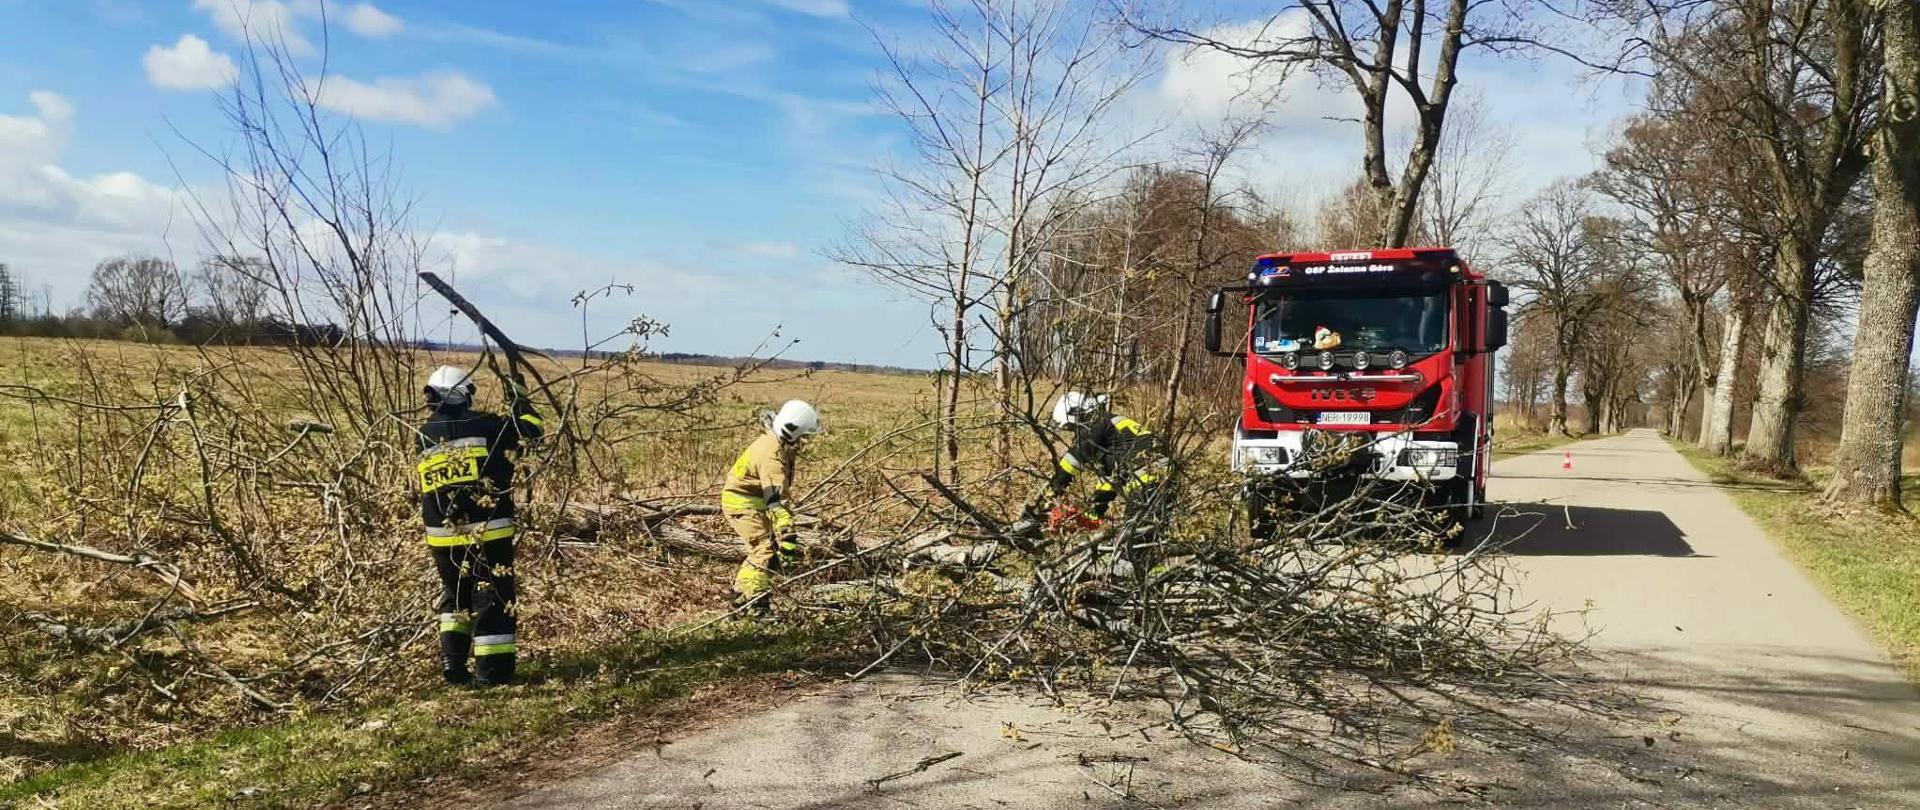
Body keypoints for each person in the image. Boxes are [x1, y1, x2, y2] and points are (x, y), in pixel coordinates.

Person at [416, 364, 543, 686]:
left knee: (456, 594)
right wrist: (519, 396)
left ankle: (453, 664)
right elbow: (532, 430)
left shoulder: (423, 435)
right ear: (467, 395)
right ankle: (492, 674)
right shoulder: (488, 425)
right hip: (488, 531)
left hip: (442, 536)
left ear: (432, 397)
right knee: (494, 597)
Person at [721, 400, 821, 612]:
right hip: (742, 503)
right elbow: (775, 500)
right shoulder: (772, 456)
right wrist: (787, 532)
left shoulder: (774, 441)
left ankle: (747, 598)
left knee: (768, 550)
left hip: (751, 501)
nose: (804, 441)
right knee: (764, 550)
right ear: (792, 431)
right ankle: (750, 603)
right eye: (803, 436)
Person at [1045, 392, 1169, 524]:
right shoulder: (1112, 436)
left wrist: (1048, 497)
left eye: (1071, 427)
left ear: (1078, 415)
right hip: (1164, 475)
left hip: (1147, 477)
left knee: (1136, 532)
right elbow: (1108, 483)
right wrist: (1091, 515)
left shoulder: (1098, 423)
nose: (1075, 434)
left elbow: (1071, 463)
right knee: (1152, 532)